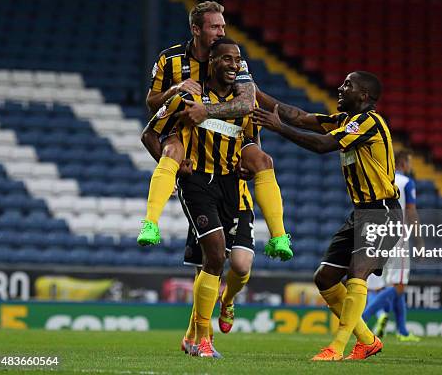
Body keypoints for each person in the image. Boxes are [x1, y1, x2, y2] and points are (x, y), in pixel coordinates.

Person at [253, 71, 403, 361]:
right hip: (360, 213)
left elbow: (322, 146)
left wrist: (278, 128)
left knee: (356, 273)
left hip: (382, 212)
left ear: (364, 96)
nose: (339, 87)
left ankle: (336, 348)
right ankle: (368, 340)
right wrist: (257, 94)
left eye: (348, 85)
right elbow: (298, 116)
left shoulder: (369, 122)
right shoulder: (343, 121)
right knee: (325, 278)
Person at [138, 0, 291, 260]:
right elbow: (152, 104)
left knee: (262, 159)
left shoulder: (234, 60)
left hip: (227, 133)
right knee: (173, 147)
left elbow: (245, 103)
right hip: (186, 128)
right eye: (214, 27)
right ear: (196, 30)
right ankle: (150, 223)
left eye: (223, 26)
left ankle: (279, 236)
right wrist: (176, 88)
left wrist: (207, 112)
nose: (221, 32)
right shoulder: (171, 59)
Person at [161, 37, 261, 358]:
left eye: (238, 60)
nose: (234, 64)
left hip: (235, 193)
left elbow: (252, 143)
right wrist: (174, 163)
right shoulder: (191, 93)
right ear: (213, 61)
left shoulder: (243, 101)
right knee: (213, 259)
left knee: (239, 266)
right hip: (199, 185)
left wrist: (249, 164)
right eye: (227, 59)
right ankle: (202, 338)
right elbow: (155, 127)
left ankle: (221, 307)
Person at [363, 150, 422, 342]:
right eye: (410, 162)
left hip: (376, 235)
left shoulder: (379, 178)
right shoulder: (406, 183)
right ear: (403, 164)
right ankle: (362, 318)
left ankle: (402, 331)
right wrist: (419, 240)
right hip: (397, 237)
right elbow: (411, 212)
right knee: (398, 285)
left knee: (377, 286)